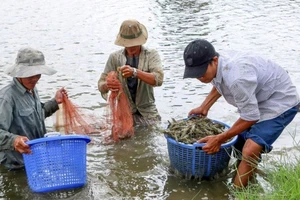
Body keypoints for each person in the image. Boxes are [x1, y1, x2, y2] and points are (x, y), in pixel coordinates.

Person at [183, 39, 300, 187]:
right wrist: (204, 107)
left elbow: (250, 116)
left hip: (279, 101)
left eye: (201, 73)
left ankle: (237, 193)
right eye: (195, 74)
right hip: (259, 96)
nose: (199, 78)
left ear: (214, 60)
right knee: (239, 144)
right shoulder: (218, 67)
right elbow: (220, 83)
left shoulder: (237, 77)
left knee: (250, 149)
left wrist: (219, 138)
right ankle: (249, 177)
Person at [0, 47, 67, 170]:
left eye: (38, 74)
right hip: (15, 166)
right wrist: (14, 140)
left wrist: (55, 102)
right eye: (30, 75)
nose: (35, 79)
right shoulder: (6, 97)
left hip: (35, 159)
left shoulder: (31, 89)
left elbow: (37, 115)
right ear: (19, 73)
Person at [98, 19, 164, 126]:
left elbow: (158, 79)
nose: (130, 48)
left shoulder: (151, 55)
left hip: (148, 113)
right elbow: (101, 85)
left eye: (133, 45)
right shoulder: (115, 58)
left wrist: (135, 72)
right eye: (127, 45)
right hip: (123, 113)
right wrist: (108, 85)